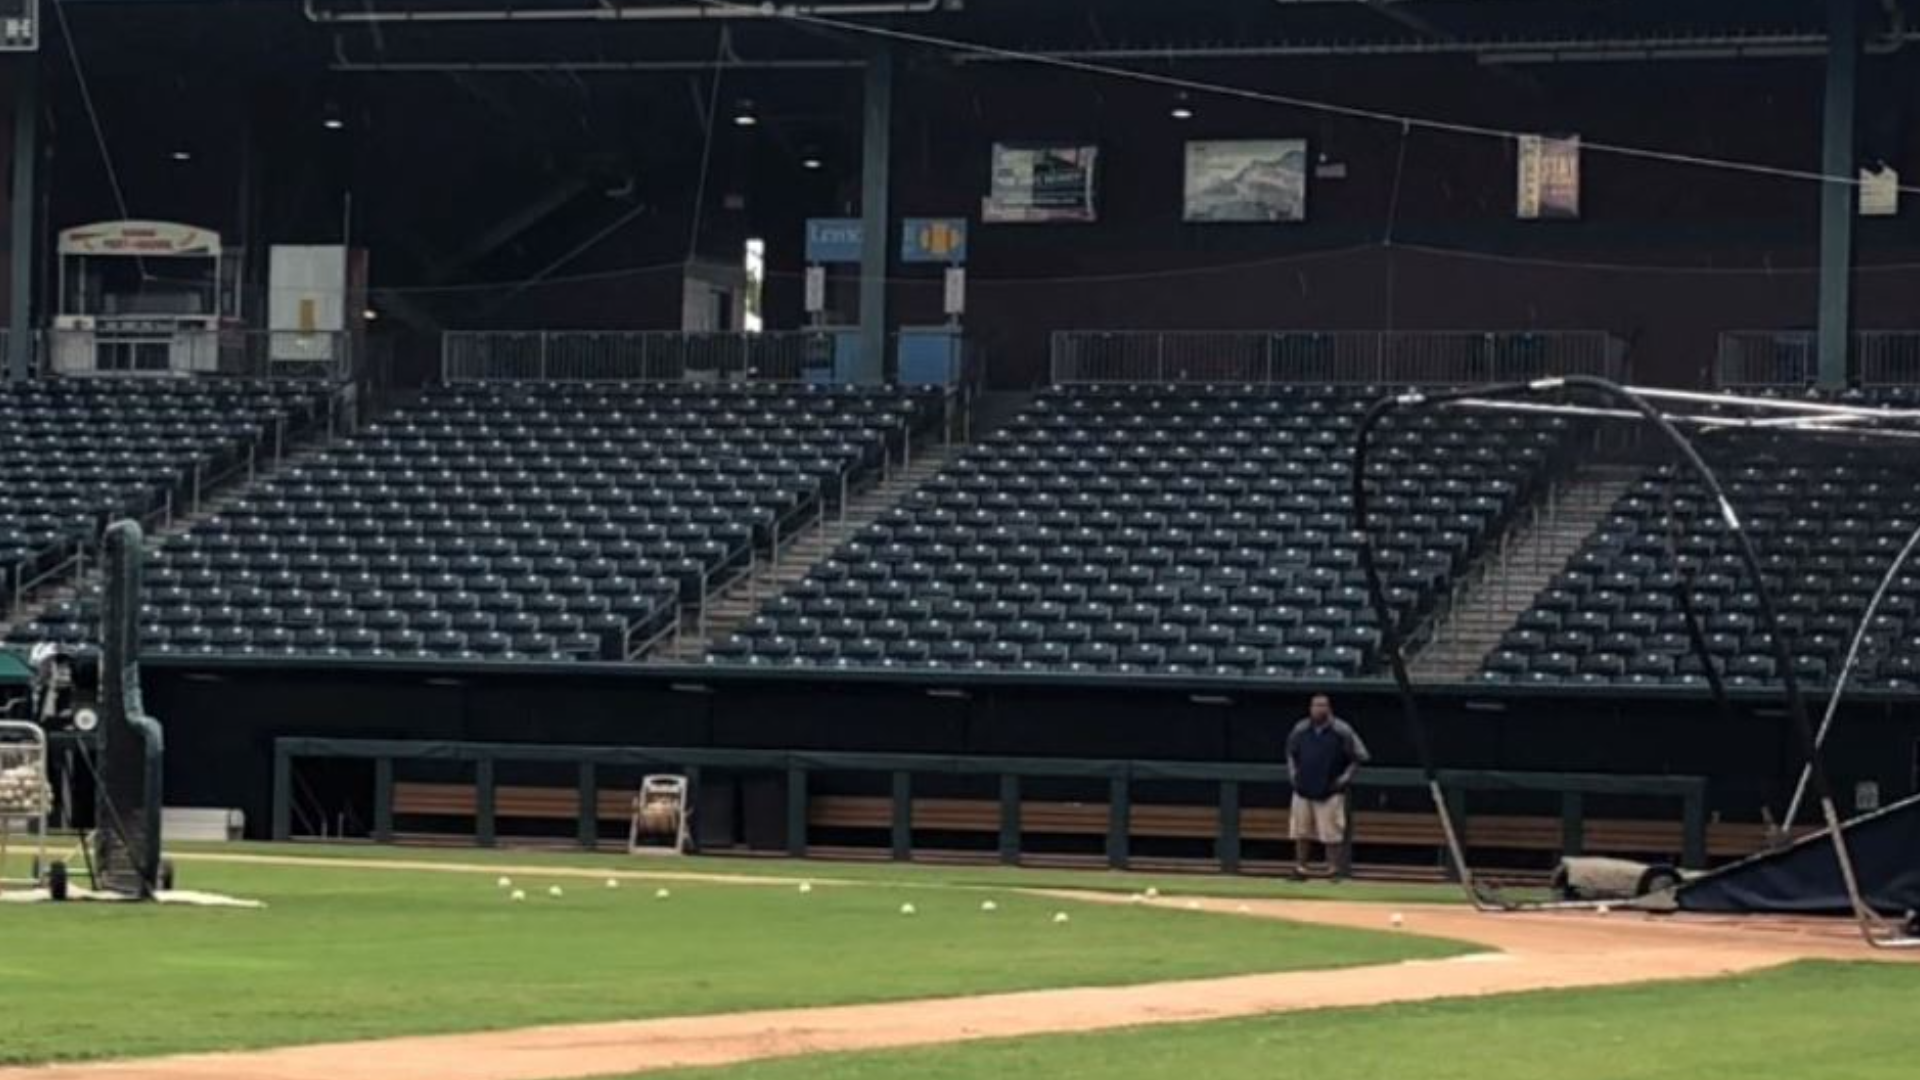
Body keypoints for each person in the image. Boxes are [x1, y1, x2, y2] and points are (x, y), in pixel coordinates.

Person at [1286, 693, 1370, 880]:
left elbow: (1360, 756)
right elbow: (1291, 753)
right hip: (1303, 788)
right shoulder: (1301, 729)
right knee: (1301, 831)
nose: (1318, 709)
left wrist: (1345, 777)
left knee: (1331, 832)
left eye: (1322, 705)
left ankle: (1333, 869)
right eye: (1315, 705)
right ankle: (1301, 868)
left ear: (1329, 708)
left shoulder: (1341, 730)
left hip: (1330, 789)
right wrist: (1293, 774)